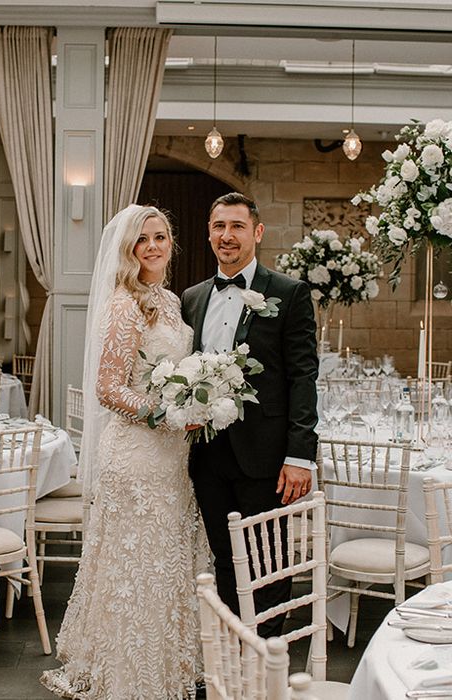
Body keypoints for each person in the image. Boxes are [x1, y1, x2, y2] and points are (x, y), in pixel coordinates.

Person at [41, 204, 210, 699]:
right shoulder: (123, 304)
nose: (153, 246)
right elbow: (108, 388)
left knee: (165, 562)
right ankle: (127, 671)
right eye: (144, 240)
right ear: (129, 249)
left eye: (160, 237)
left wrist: (190, 403)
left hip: (172, 458)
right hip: (136, 455)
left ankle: (166, 664)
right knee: (134, 563)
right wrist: (162, 412)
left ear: (170, 243)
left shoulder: (172, 302)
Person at [181, 192, 319, 638]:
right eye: (219, 226)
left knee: (270, 561)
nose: (227, 236)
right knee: (224, 559)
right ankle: (233, 658)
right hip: (208, 457)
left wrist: (300, 455)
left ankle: (268, 658)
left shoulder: (289, 293)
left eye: (237, 226)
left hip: (267, 458)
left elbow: (303, 377)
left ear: (257, 233)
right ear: (209, 234)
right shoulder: (192, 298)